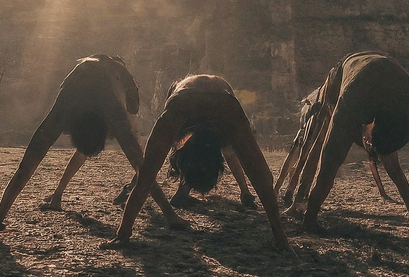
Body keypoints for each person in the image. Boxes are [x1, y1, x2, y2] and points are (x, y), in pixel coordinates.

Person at [0, 54, 186, 237]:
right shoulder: (68, 111)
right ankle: (56, 195)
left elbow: (24, 170)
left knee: (132, 122)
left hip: (113, 75)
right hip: (92, 75)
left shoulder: (110, 111)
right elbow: (142, 168)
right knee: (133, 145)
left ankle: (54, 196)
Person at [284, 51, 409, 235]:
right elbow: (329, 160)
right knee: (325, 147)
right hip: (352, 74)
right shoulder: (350, 95)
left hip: (372, 78)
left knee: (331, 158)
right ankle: (304, 209)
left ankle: (309, 217)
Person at [103, 74, 291, 251]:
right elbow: (262, 179)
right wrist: (280, 237)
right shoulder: (226, 120)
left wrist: (124, 233)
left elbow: (146, 178)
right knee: (255, 169)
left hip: (193, 99)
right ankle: (280, 237)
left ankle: (124, 232)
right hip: (215, 99)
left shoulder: (178, 115)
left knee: (149, 170)